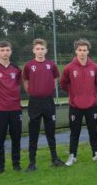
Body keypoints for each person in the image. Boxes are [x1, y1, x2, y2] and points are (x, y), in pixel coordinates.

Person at [60, 39, 97, 165]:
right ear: (76, 51)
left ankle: (96, 154)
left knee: (93, 130)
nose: (82, 53)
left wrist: (91, 95)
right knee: (75, 132)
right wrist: (74, 95)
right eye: (79, 50)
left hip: (91, 105)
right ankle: (72, 156)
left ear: (88, 51)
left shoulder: (95, 67)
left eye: (84, 50)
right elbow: (63, 84)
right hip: (75, 106)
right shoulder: (69, 68)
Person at [22, 38, 65, 171]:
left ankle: (54, 158)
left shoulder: (51, 64)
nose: (40, 51)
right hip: (34, 102)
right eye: (37, 49)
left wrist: (48, 90)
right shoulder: (29, 65)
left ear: (46, 50)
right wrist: (33, 93)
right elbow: (25, 81)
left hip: (48, 101)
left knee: (50, 131)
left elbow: (55, 78)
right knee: (33, 132)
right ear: (33, 50)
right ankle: (32, 162)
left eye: (42, 49)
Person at [0, 41, 22, 175]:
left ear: (11, 52)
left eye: (7, 50)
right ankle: (0, 167)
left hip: (15, 109)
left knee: (16, 138)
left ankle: (16, 164)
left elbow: (18, 85)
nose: (5, 53)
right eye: (2, 50)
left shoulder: (16, 69)